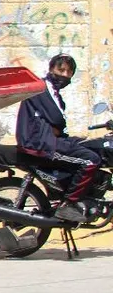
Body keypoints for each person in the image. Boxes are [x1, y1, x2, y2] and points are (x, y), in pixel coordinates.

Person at [15, 53, 99, 223]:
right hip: (40, 143)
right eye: (61, 70)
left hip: (45, 139)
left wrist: (60, 131)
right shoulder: (43, 88)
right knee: (91, 160)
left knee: (87, 145)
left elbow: (56, 124)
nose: (65, 75)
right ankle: (68, 204)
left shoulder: (53, 91)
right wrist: (57, 128)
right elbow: (56, 119)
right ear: (51, 69)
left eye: (69, 72)